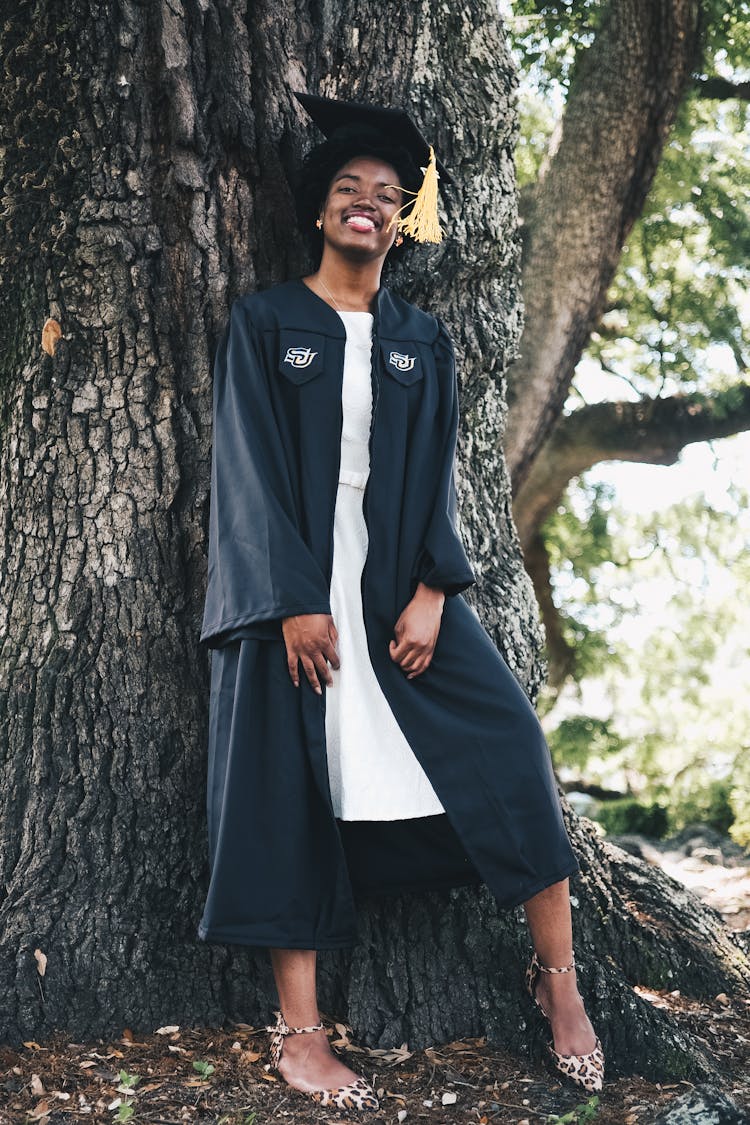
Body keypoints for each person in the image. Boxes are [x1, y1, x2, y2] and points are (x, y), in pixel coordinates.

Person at [197, 90, 605, 1112]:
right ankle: (298, 1035)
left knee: (511, 745)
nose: (366, 206)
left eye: (386, 195)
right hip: (290, 578)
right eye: (347, 190)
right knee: (287, 789)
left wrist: (432, 590)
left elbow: (439, 475)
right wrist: (291, 597)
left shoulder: (422, 338)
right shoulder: (267, 323)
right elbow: (243, 467)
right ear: (320, 210)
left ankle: (560, 986)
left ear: (402, 219)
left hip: (394, 586)